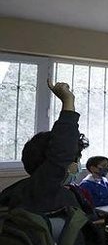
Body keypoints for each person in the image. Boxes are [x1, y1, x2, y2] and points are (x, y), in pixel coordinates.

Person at [0, 80, 89, 213]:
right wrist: (68, 101)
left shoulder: (27, 190)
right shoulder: (41, 190)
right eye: (75, 159)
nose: (77, 165)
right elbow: (62, 150)